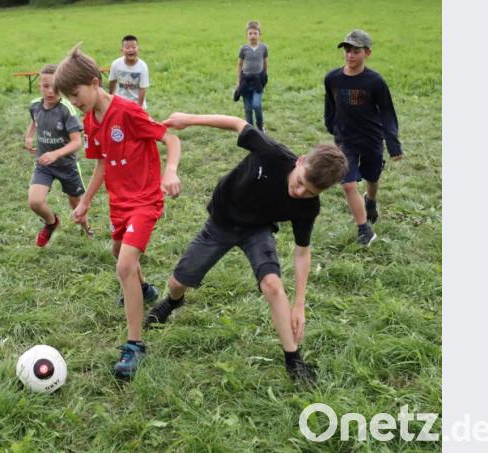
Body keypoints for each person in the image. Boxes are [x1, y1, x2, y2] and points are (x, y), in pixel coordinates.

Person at [145, 112, 348, 385]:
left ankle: (294, 360)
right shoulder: (271, 153)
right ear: (299, 162)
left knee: (273, 285)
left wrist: (299, 304)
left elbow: (302, 252)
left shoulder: (308, 207)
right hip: (221, 222)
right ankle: (173, 301)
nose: (299, 193)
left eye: (310, 192)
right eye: (300, 182)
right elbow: (236, 123)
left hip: (258, 229)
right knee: (178, 281)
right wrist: (188, 119)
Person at [54, 45, 181, 380]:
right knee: (117, 252)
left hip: (145, 200)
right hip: (120, 202)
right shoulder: (89, 121)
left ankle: (135, 345)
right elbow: (101, 164)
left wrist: (170, 172)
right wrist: (84, 202)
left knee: (124, 265)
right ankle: (147, 290)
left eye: (76, 93)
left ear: (95, 82)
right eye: (68, 96)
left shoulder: (128, 112)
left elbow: (170, 139)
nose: (74, 100)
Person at [324, 29, 403, 246]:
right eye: (347, 50)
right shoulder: (332, 78)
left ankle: (371, 200)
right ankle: (363, 230)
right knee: (348, 184)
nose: (350, 55)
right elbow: (330, 105)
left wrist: (393, 144)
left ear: (367, 53)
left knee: (372, 177)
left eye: (356, 51)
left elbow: (387, 112)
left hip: (371, 138)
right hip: (345, 139)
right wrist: (332, 127)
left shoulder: (375, 82)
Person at [23, 64, 93, 247]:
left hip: (66, 166)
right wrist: (29, 136)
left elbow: (77, 142)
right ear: (39, 86)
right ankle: (51, 222)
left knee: (76, 204)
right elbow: (34, 120)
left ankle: (86, 228)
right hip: (44, 164)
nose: (50, 91)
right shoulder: (35, 105)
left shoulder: (66, 109)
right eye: (45, 86)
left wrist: (56, 154)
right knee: (34, 202)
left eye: (55, 86)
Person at [234, 21, 268, 131]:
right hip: (245, 81)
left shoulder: (263, 48)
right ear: (247, 35)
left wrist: (264, 78)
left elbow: (265, 63)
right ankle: (250, 130)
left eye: (255, 33)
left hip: (258, 81)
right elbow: (239, 65)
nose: (252, 36)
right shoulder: (243, 49)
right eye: (250, 33)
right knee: (248, 108)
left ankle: (260, 126)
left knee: (256, 105)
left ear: (259, 34)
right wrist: (238, 81)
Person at [108, 35, 150, 109]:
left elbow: (142, 89)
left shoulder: (142, 66)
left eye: (133, 47)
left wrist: (139, 108)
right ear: (122, 50)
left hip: (136, 103)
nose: (131, 50)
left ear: (138, 49)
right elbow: (112, 82)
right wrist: (110, 100)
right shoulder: (116, 64)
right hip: (120, 102)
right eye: (127, 48)